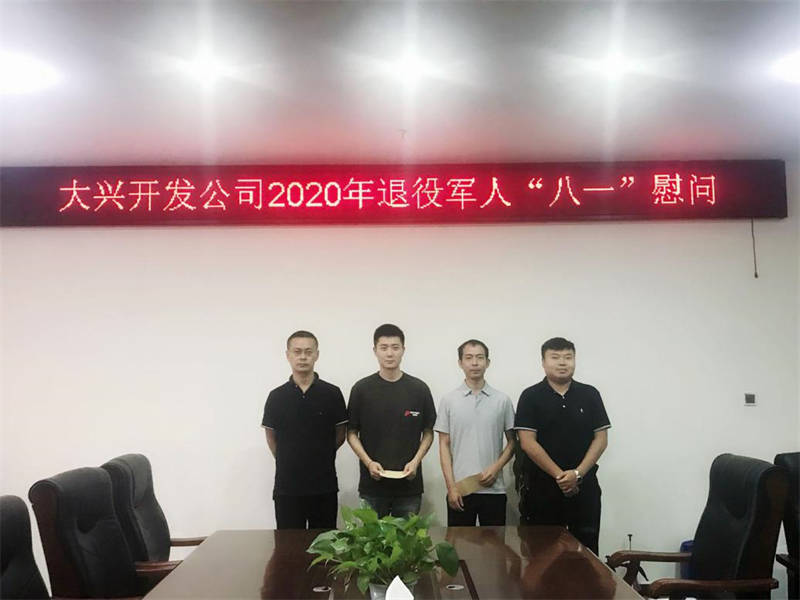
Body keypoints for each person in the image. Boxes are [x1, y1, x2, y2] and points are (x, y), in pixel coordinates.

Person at [514, 337, 610, 554]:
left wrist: (577, 474)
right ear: (543, 362)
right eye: (555, 357)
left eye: (568, 357)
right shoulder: (530, 396)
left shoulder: (590, 394)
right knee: (542, 554)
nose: (562, 362)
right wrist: (561, 477)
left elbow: (601, 439)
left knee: (586, 553)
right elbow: (527, 442)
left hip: (584, 487)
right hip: (542, 489)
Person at [347, 323, 436, 517]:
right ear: (375, 351)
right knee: (369, 536)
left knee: (407, 537)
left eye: (395, 347)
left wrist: (416, 461)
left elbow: (428, 432)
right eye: (384, 347)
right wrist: (368, 462)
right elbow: (351, 433)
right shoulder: (361, 389)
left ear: (403, 350)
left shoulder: (419, 389)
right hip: (372, 486)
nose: (389, 353)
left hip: (409, 486)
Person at [262, 330, 348, 529]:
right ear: (288, 355)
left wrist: (321, 454)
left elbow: (340, 435)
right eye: (297, 351)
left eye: (308, 352)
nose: (303, 357)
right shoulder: (276, 397)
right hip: (287, 488)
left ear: (317, 355)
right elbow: (271, 438)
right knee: (288, 544)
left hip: (324, 486)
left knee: (324, 544)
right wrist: (289, 458)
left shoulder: (332, 393)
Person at [435, 339, 515, 526]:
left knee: (495, 544)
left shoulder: (502, 400)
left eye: (480, 357)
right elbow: (443, 445)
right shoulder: (449, 400)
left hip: (494, 489)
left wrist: (496, 468)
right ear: (460, 363)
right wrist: (451, 487)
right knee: (459, 543)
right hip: (460, 490)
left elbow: (513, 442)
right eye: (469, 358)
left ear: (488, 362)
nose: (475, 363)